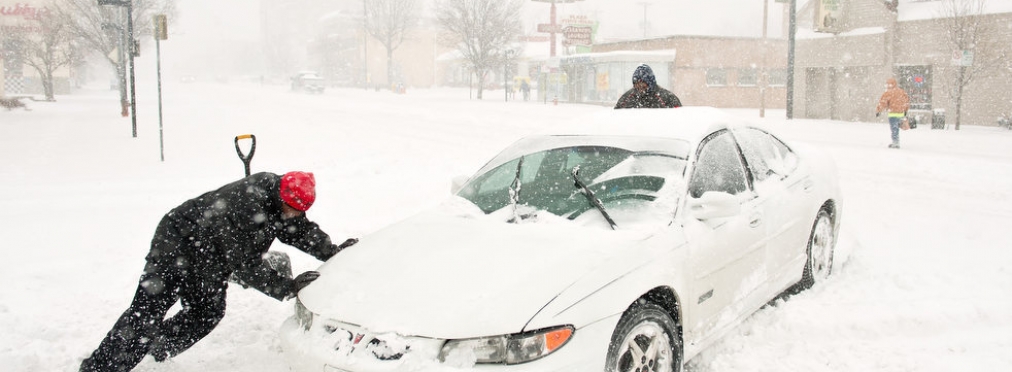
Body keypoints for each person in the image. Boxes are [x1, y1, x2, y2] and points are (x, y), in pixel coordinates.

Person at [80, 171, 358, 372]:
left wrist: (330, 251)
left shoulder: (284, 205)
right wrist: (286, 286)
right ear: (281, 195)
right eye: (292, 209)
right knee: (148, 312)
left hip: (210, 254)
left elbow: (299, 230)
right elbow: (245, 264)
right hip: (178, 241)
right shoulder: (248, 206)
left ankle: (156, 350)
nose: (295, 214)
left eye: (300, 210)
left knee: (207, 312)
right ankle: (99, 368)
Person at [614, 64, 682, 109]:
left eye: (642, 82)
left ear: (650, 82)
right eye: (636, 83)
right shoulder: (625, 99)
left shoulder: (668, 98)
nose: (639, 86)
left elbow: (679, 118)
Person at [875, 77, 910, 149]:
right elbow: (906, 101)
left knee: (894, 129)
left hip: (893, 114)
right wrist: (905, 110)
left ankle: (895, 143)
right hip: (901, 113)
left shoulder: (888, 93)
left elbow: (883, 103)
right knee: (897, 127)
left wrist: (878, 111)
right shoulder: (901, 92)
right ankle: (896, 141)